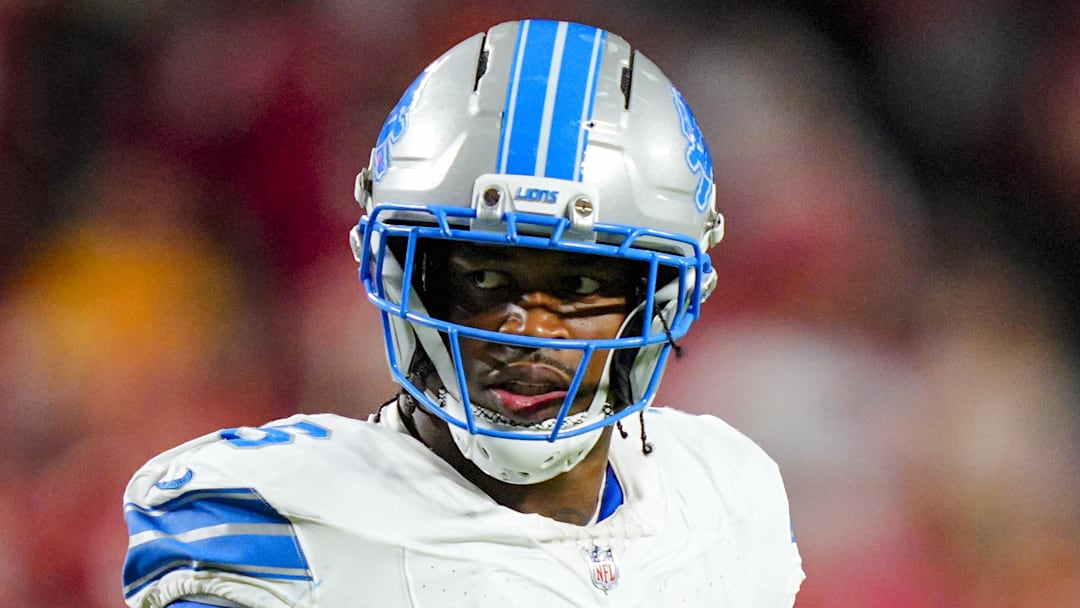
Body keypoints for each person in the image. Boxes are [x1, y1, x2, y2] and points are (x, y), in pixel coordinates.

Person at [121, 19, 804, 607]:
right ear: (400, 275)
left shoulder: (728, 496)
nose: (532, 329)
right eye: (484, 277)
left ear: (663, 299)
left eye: (581, 284)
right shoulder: (273, 526)